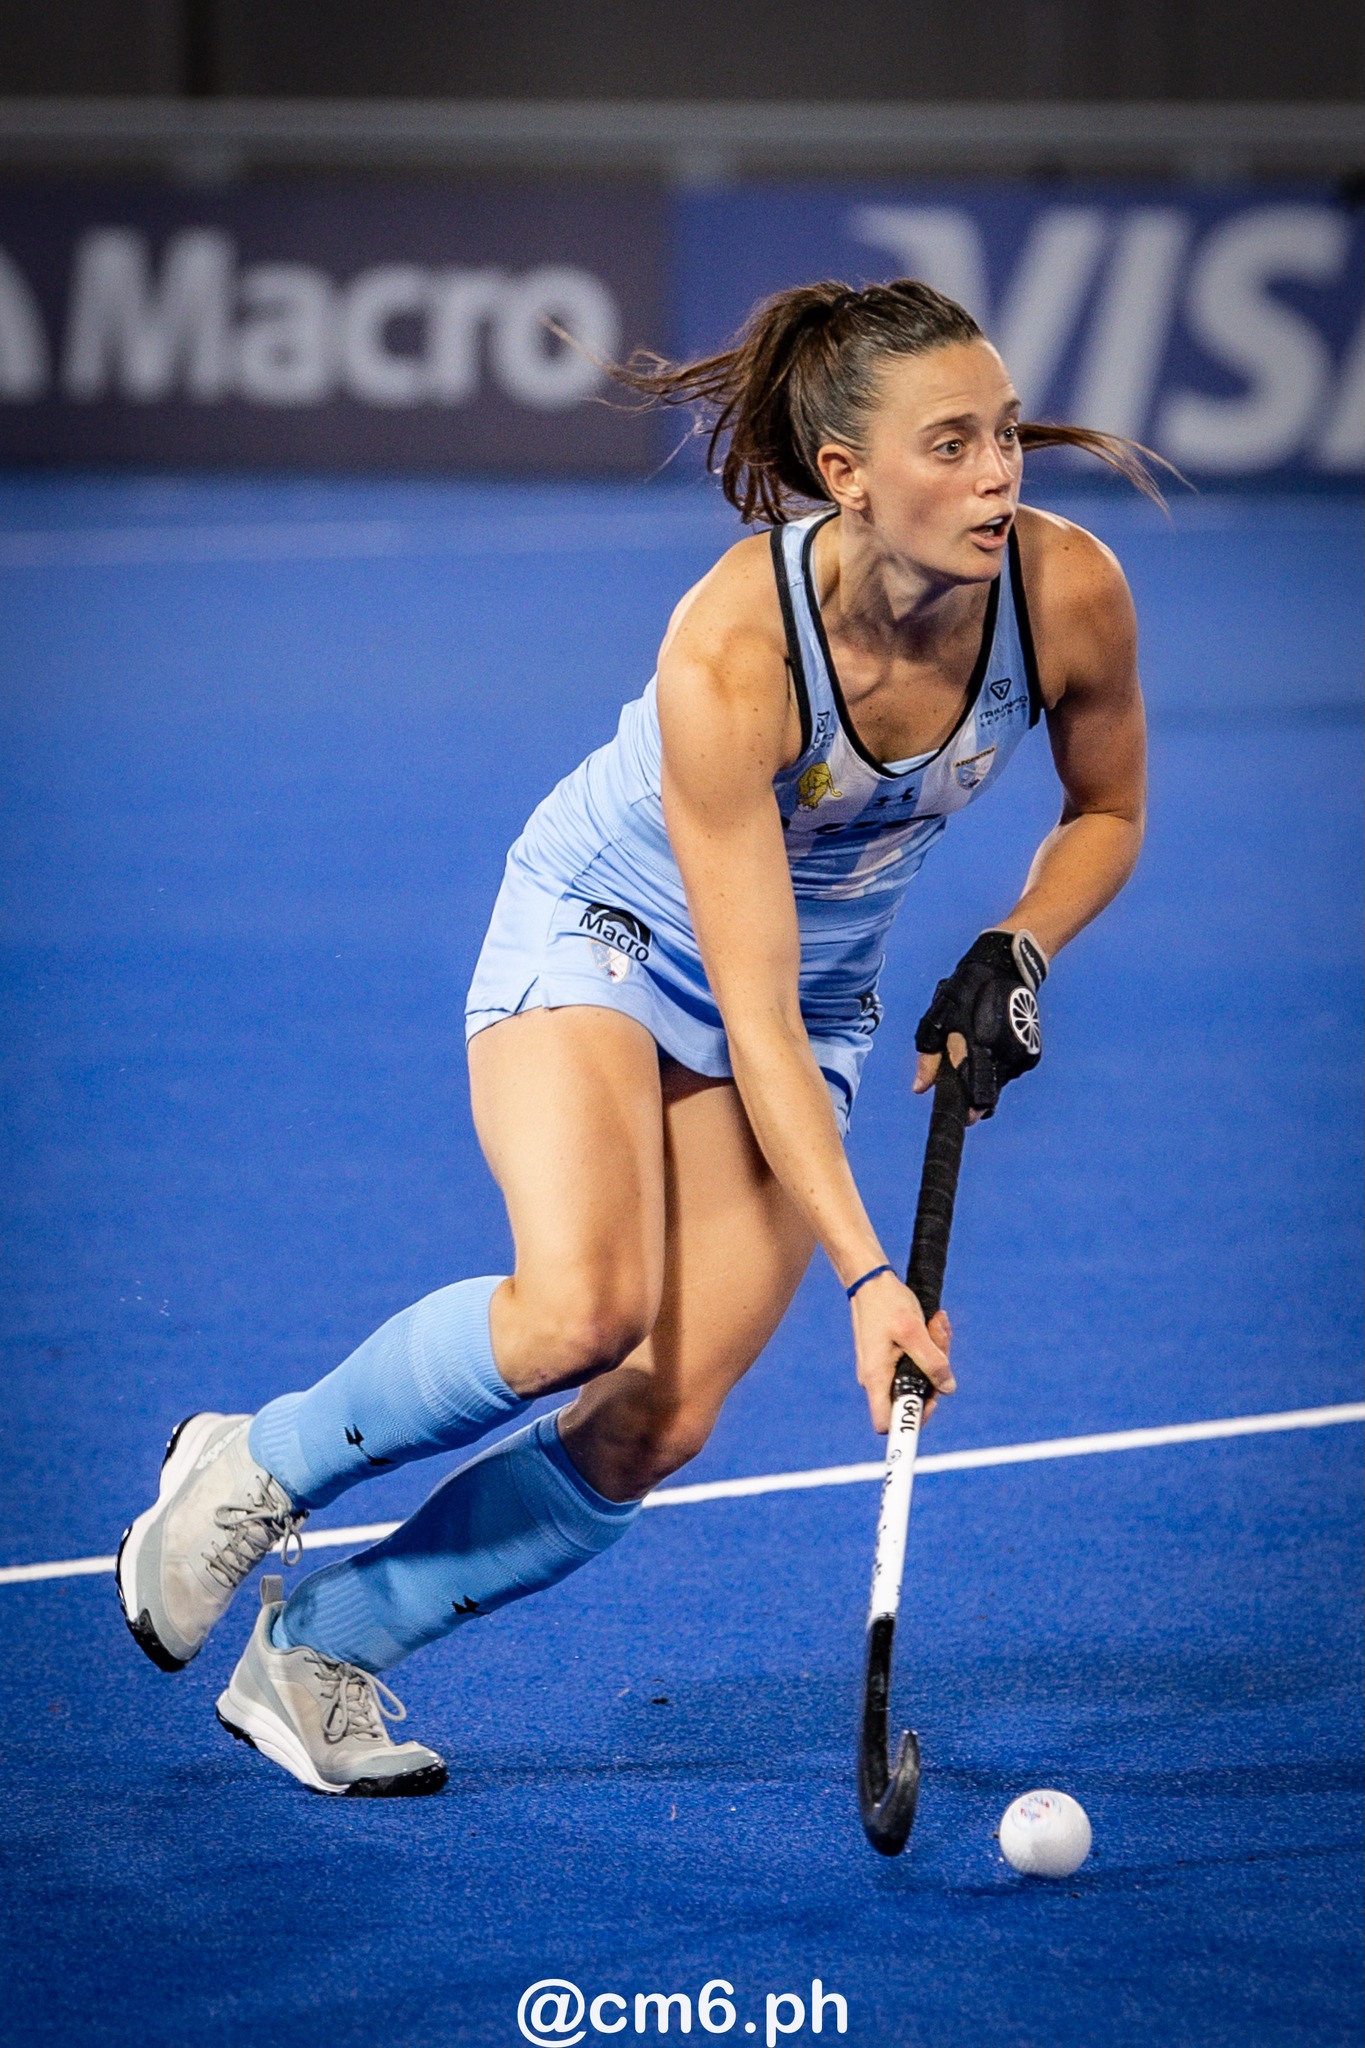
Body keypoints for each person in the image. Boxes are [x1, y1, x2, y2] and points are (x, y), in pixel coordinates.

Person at [117, 279, 1149, 1797]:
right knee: (580, 1306)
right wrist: (868, 1274)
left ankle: (323, 1649)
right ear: (846, 474)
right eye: (952, 444)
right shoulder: (735, 646)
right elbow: (742, 1003)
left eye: (1003, 433)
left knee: (660, 1412)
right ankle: (253, 1466)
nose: (999, 472)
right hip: (610, 929)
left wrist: (1018, 942)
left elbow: (1107, 809)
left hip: (816, 992)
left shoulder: (1067, 595)